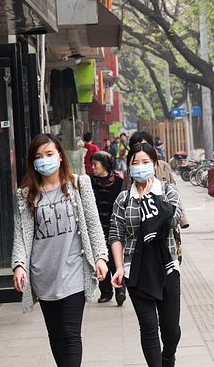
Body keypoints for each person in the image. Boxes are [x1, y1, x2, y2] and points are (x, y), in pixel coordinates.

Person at [12, 133, 109, 367]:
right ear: (32, 162)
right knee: (55, 336)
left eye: (49, 154)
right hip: (43, 275)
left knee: (70, 334)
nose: (44, 160)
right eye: (38, 156)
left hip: (74, 271)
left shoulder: (79, 184)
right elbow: (22, 236)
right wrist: (19, 265)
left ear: (60, 156)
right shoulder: (26, 195)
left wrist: (100, 257)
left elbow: (93, 224)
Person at [109, 142, 183, 367]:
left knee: (171, 330)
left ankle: (168, 356)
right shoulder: (123, 199)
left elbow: (172, 219)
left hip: (166, 267)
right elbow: (116, 233)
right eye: (135, 163)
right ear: (129, 167)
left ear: (154, 164)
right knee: (149, 327)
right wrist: (119, 267)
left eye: (145, 162)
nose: (140, 167)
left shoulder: (168, 192)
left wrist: (152, 198)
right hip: (136, 269)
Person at [124, 131, 188, 263]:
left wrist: (182, 219)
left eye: (145, 146)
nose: (141, 151)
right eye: (137, 146)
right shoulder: (129, 173)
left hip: (165, 224)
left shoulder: (164, 167)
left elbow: (174, 196)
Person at [90, 151, 126, 305]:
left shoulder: (118, 181)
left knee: (115, 258)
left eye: (95, 164)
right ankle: (105, 291)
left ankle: (120, 289)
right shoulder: (90, 182)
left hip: (114, 224)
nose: (92, 168)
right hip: (97, 226)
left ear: (104, 165)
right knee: (100, 257)